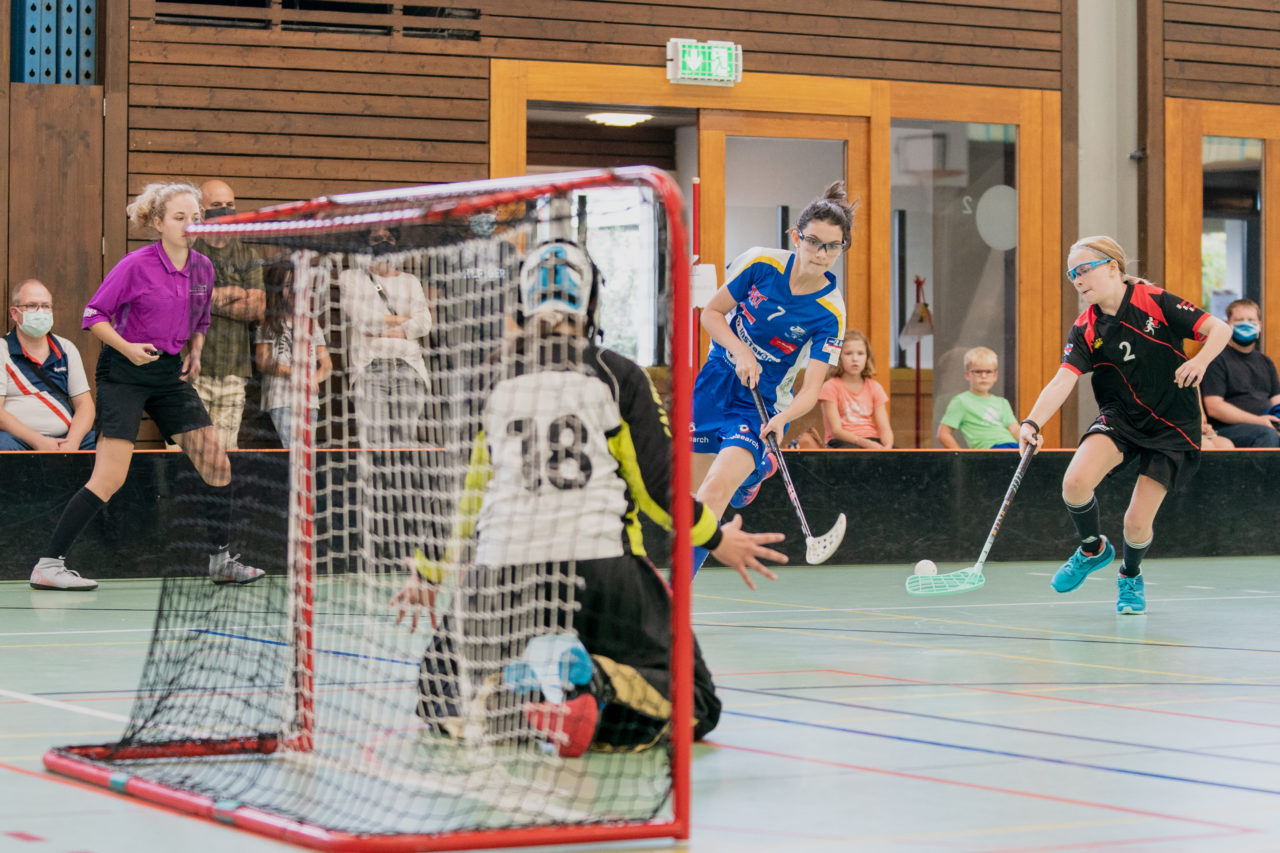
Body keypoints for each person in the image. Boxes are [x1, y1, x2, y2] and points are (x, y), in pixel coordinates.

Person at [391, 239, 787, 758]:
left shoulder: (487, 378)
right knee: (695, 705)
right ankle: (597, 683)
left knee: (440, 697)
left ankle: (516, 688)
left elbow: (462, 493)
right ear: (593, 305)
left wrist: (429, 572)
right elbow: (658, 490)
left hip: (506, 570)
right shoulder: (618, 374)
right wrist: (716, 537)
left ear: (521, 303)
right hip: (603, 569)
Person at [28, 182, 264, 591]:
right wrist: (128, 348)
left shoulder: (203, 268)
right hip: (124, 370)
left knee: (216, 462)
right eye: (179, 217)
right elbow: (93, 315)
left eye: (196, 217)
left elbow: (201, 316)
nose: (190, 224)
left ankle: (222, 560)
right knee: (110, 477)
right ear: (157, 223)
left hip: (169, 374)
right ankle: (48, 565)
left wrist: (196, 349)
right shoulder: (136, 264)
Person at [1017, 236, 1230, 615]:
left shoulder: (1155, 301)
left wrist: (1200, 362)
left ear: (1113, 267)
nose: (1078, 280)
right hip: (1121, 416)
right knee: (1075, 482)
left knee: (1135, 523)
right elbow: (1063, 378)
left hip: (1172, 423)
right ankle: (1092, 548)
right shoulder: (1085, 327)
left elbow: (1220, 329)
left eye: (1084, 270)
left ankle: (1130, 575)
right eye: (1072, 274)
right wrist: (1032, 421)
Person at [690, 181, 851, 572]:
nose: (821, 254)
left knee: (715, 488)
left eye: (833, 246)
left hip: (758, 403)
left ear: (842, 248)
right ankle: (752, 478)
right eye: (813, 242)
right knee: (693, 500)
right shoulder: (760, 264)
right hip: (714, 381)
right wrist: (740, 350)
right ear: (796, 237)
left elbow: (812, 389)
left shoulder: (830, 314)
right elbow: (710, 314)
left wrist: (782, 420)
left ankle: (675, 599)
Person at [338, 226, 432, 448]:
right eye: (377, 238)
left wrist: (382, 324)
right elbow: (362, 320)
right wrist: (402, 319)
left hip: (408, 366)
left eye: (389, 238)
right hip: (370, 366)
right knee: (374, 441)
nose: (384, 242)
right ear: (365, 243)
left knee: (405, 440)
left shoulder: (410, 281)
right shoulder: (351, 277)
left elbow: (424, 323)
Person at [188, 179, 265, 450]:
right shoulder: (189, 251)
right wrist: (234, 292)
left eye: (230, 205)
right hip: (191, 371)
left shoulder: (248, 253)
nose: (225, 210)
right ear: (201, 209)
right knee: (189, 451)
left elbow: (256, 308)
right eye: (216, 205)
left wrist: (207, 299)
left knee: (225, 452)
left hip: (233, 371)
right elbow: (182, 302)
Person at [1, 280, 96, 451]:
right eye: (31, 305)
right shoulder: (2, 350)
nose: (40, 312)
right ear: (14, 313)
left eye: (46, 306)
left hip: (67, 439)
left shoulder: (66, 349)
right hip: (18, 440)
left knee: (106, 445)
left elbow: (85, 406)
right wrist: (38, 441)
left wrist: (72, 442)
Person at [253, 263, 332, 448]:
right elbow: (262, 362)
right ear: (277, 289)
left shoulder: (311, 323)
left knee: (305, 454)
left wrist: (313, 378)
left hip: (308, 400)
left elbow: (327, 365)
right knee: (292, 452)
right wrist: (297, 374)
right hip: (281, 398)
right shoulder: (269, 322)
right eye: (289, 286)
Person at [1201, 297, 1280, 448]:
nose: (1246, 323)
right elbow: (1214, 407)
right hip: (1227, 429)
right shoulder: (1217, 359)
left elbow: (1276, 401)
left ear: (1259, 326)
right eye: (1239, 320)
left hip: (1267, 425)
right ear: (1228, 325)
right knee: (1266, 434)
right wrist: (1259, 421)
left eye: (1251, 320)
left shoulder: (1265, 362)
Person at [818, 329, 893, 448]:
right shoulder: (830, 387)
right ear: (839, 357)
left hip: (872, 440)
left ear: (867, 357)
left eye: (860, 353)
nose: (855, 359)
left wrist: (887, 447)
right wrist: (867, 444)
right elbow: (836, 431)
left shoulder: (875, 387)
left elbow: (885, 429)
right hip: (842, 442)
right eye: (848, 353)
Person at [936, 346, 1019, 449]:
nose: (983, 376)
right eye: (978, 372)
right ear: (967, 375)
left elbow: (1014, 429)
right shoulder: (961, 401)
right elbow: (943, 434)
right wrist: (962, 456)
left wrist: (1031, 443)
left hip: (1014, 447)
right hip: (989, 452)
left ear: (995, 376)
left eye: (988, 372)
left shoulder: (1002, 402)